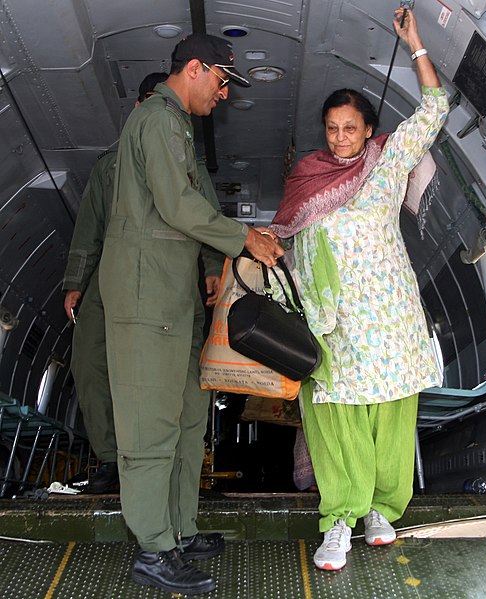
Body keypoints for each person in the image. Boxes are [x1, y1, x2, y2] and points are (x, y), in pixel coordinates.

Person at [98, 33, 284, 596]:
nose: (224, 95)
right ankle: (154, 548)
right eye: (223, 80)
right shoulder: (157, 121)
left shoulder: (175, 127)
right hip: (143, 299)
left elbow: (183, 207)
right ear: (197, 69)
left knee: (184, 423)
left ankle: (177, 528)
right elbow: (179, 206)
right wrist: (244, 239)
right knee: (150, 427)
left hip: (171, 300)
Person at [270, 8, 449, 571]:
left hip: (390, 314)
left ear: (368, 129)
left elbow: (436, 109)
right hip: (334, 321)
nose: (341, 138)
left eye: (351, 128)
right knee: (335, 416)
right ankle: (338, 521)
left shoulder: (387, 163)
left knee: (391, 413)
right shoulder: (308, 177)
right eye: (332, 128)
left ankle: (380, 510)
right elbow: (285, 240)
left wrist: (415, 42)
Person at [62, 72, 168, 494]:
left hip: (158, 286)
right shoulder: (108, 166)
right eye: (146, 101)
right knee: (88, 364)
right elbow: (88, 227)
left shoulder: (183, 164)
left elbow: (203, 220)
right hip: (108, 280)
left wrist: (213, 270)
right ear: (139, 107)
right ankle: (109, 460)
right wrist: (75, 281)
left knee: (152, 377)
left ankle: (156, 466)